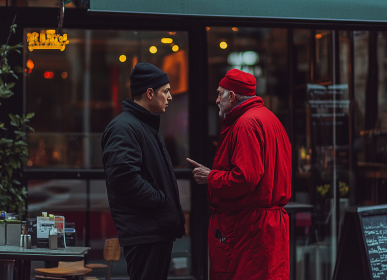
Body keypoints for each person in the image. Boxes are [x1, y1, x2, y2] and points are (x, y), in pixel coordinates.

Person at [188, 69, 292, 280]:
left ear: (232, 96)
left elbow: (244, 178)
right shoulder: (270, 120)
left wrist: (210, 177)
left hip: (248, 230)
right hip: (265, 228)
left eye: (219, 94)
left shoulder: (245, 124)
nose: (216, 100)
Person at [101, 62, 185, 280]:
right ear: (149, 93)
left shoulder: (142, 124)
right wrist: (160, 200)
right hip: (146, 232)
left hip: (152, 231)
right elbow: (123, 178)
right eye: (165, 91)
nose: (170, 97)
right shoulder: (125, 127)